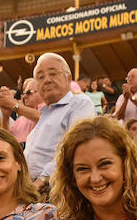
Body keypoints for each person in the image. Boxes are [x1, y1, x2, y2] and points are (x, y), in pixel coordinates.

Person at [24, 53, 96, 184]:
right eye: (40, 77)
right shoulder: (45, 116)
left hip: (55, 187)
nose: (46, 80)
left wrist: (41, 180)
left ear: (68, 79)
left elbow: (75, 147)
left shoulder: (79, 104)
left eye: (53, 74)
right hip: (31, 187)